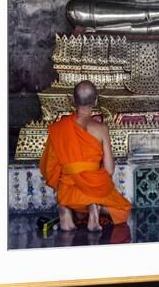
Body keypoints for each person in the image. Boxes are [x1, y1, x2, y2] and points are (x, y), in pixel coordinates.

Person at [39, 80, 131, 232]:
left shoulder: (60, 128)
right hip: (95, 185)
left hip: (67, 188)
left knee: (70, 192)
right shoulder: (101, 129)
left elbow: (50, 166)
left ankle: (65, 207)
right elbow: (109, 169)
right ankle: (95, 207)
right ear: (96, 101)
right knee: (123, 209)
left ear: (73, 100)